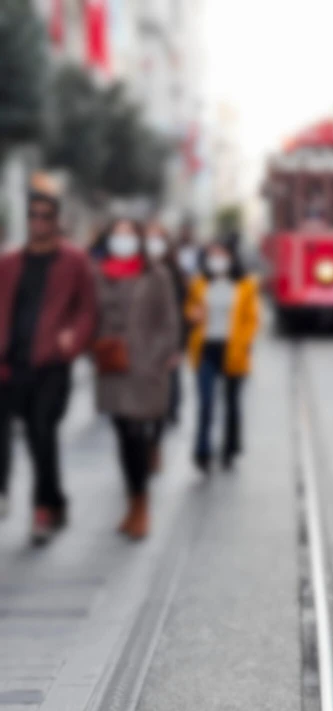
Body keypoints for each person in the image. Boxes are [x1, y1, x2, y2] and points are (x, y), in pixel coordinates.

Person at [0, 191, 97, 543]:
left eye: (45, 215)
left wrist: (74, 337)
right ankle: (43, 498)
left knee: (43, 433)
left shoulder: (74, 260)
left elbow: (88, 308)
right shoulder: (9, 263)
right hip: (11, 364)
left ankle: (42, 510)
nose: (39, 222)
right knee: (12, 435)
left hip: (52, 365)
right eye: (33, 215)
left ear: (57, 221)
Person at [92, 219, 180, 540]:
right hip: (112, 366)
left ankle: (141, 507)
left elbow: (169, 323)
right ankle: (132, 504)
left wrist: (154, 359)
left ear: (139, 239)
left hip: (144, 369)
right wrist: (94, 345)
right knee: (121, 434)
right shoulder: (99, 273)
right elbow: (91, 315)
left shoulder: (156, 274)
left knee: (134, 434)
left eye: (129, 234)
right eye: (117, 234)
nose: (123, 240)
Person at [186, 241, 260, 473]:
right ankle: (202, 450)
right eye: (212, 255)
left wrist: (245, 342)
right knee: (206, 402)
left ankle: (230, 448)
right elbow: (189, 308)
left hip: (233, 350)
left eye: (222, 255)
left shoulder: (246, 285)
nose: (217, 260)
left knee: (231, 404)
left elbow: (252, 318)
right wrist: (192, 313)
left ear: (231, 258)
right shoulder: (199, 283)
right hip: (206, 348)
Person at [145, 222, 188, 428]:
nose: (153, 243)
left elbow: (180, 309)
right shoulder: (139, 268)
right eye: (149, 238)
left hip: (168, 334)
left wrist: (179, 343)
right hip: (143, 336)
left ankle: (170, 409)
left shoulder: (173, 271)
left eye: (158, 238)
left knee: (171, 374)